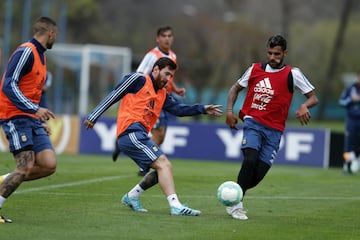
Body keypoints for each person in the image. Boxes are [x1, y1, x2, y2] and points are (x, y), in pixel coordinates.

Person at [84, 57, 222, 216]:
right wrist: (94, 115)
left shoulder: (163, 93)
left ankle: (131, 196)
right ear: (155, 69)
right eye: (166, 74)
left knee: (161, 172)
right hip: (130, 132)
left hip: (139, 135)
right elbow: (115, 94)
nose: (168, 79)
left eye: (171, 76)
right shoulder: (139, 79)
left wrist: (203, 109)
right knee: (164, 164)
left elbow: (178, 109)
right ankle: (175, 206)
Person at [225, 35, 318, 220]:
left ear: (285, 53)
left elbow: (313, 97)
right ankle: (236, 205)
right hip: (253, 123)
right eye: (269, 53)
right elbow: (235, 88)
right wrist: (229, 111)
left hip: (275, 131)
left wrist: (304, 106)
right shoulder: (254, 69)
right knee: (249, 159)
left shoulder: (293, 74)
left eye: (277, 54)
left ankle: (232, 194)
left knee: (258, 174)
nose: (273, 57)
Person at [0, 16, 58, 223]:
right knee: (24, 167)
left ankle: (5, 180)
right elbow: (8, 84)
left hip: (30, 118)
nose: (55, 39)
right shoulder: (27, 51)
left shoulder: (41, 57)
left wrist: (37, 118)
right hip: (14, 116)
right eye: (55, 35)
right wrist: (35, 109)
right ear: (50, 33)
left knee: (49, 164)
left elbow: (29, 90)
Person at [112, 26, 186, 177]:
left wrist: (176, 90)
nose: (167, 38)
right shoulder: (152, 56)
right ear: (157, 38)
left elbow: (167, 78)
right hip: (150, 100)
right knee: (156, 132)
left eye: (169, 36)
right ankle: (144, 164)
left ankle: (143, 159)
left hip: (164, 98)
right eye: (163, 36)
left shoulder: (173, 55)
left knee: (161, 136)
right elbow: (139, 75)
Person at [338, 71, 360, 174]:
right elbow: (341, 102)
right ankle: (347, 165)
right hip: (352, 120)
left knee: (357, 145)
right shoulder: (350, 88)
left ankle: (355, 161)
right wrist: (351, 99)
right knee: (349, 144)